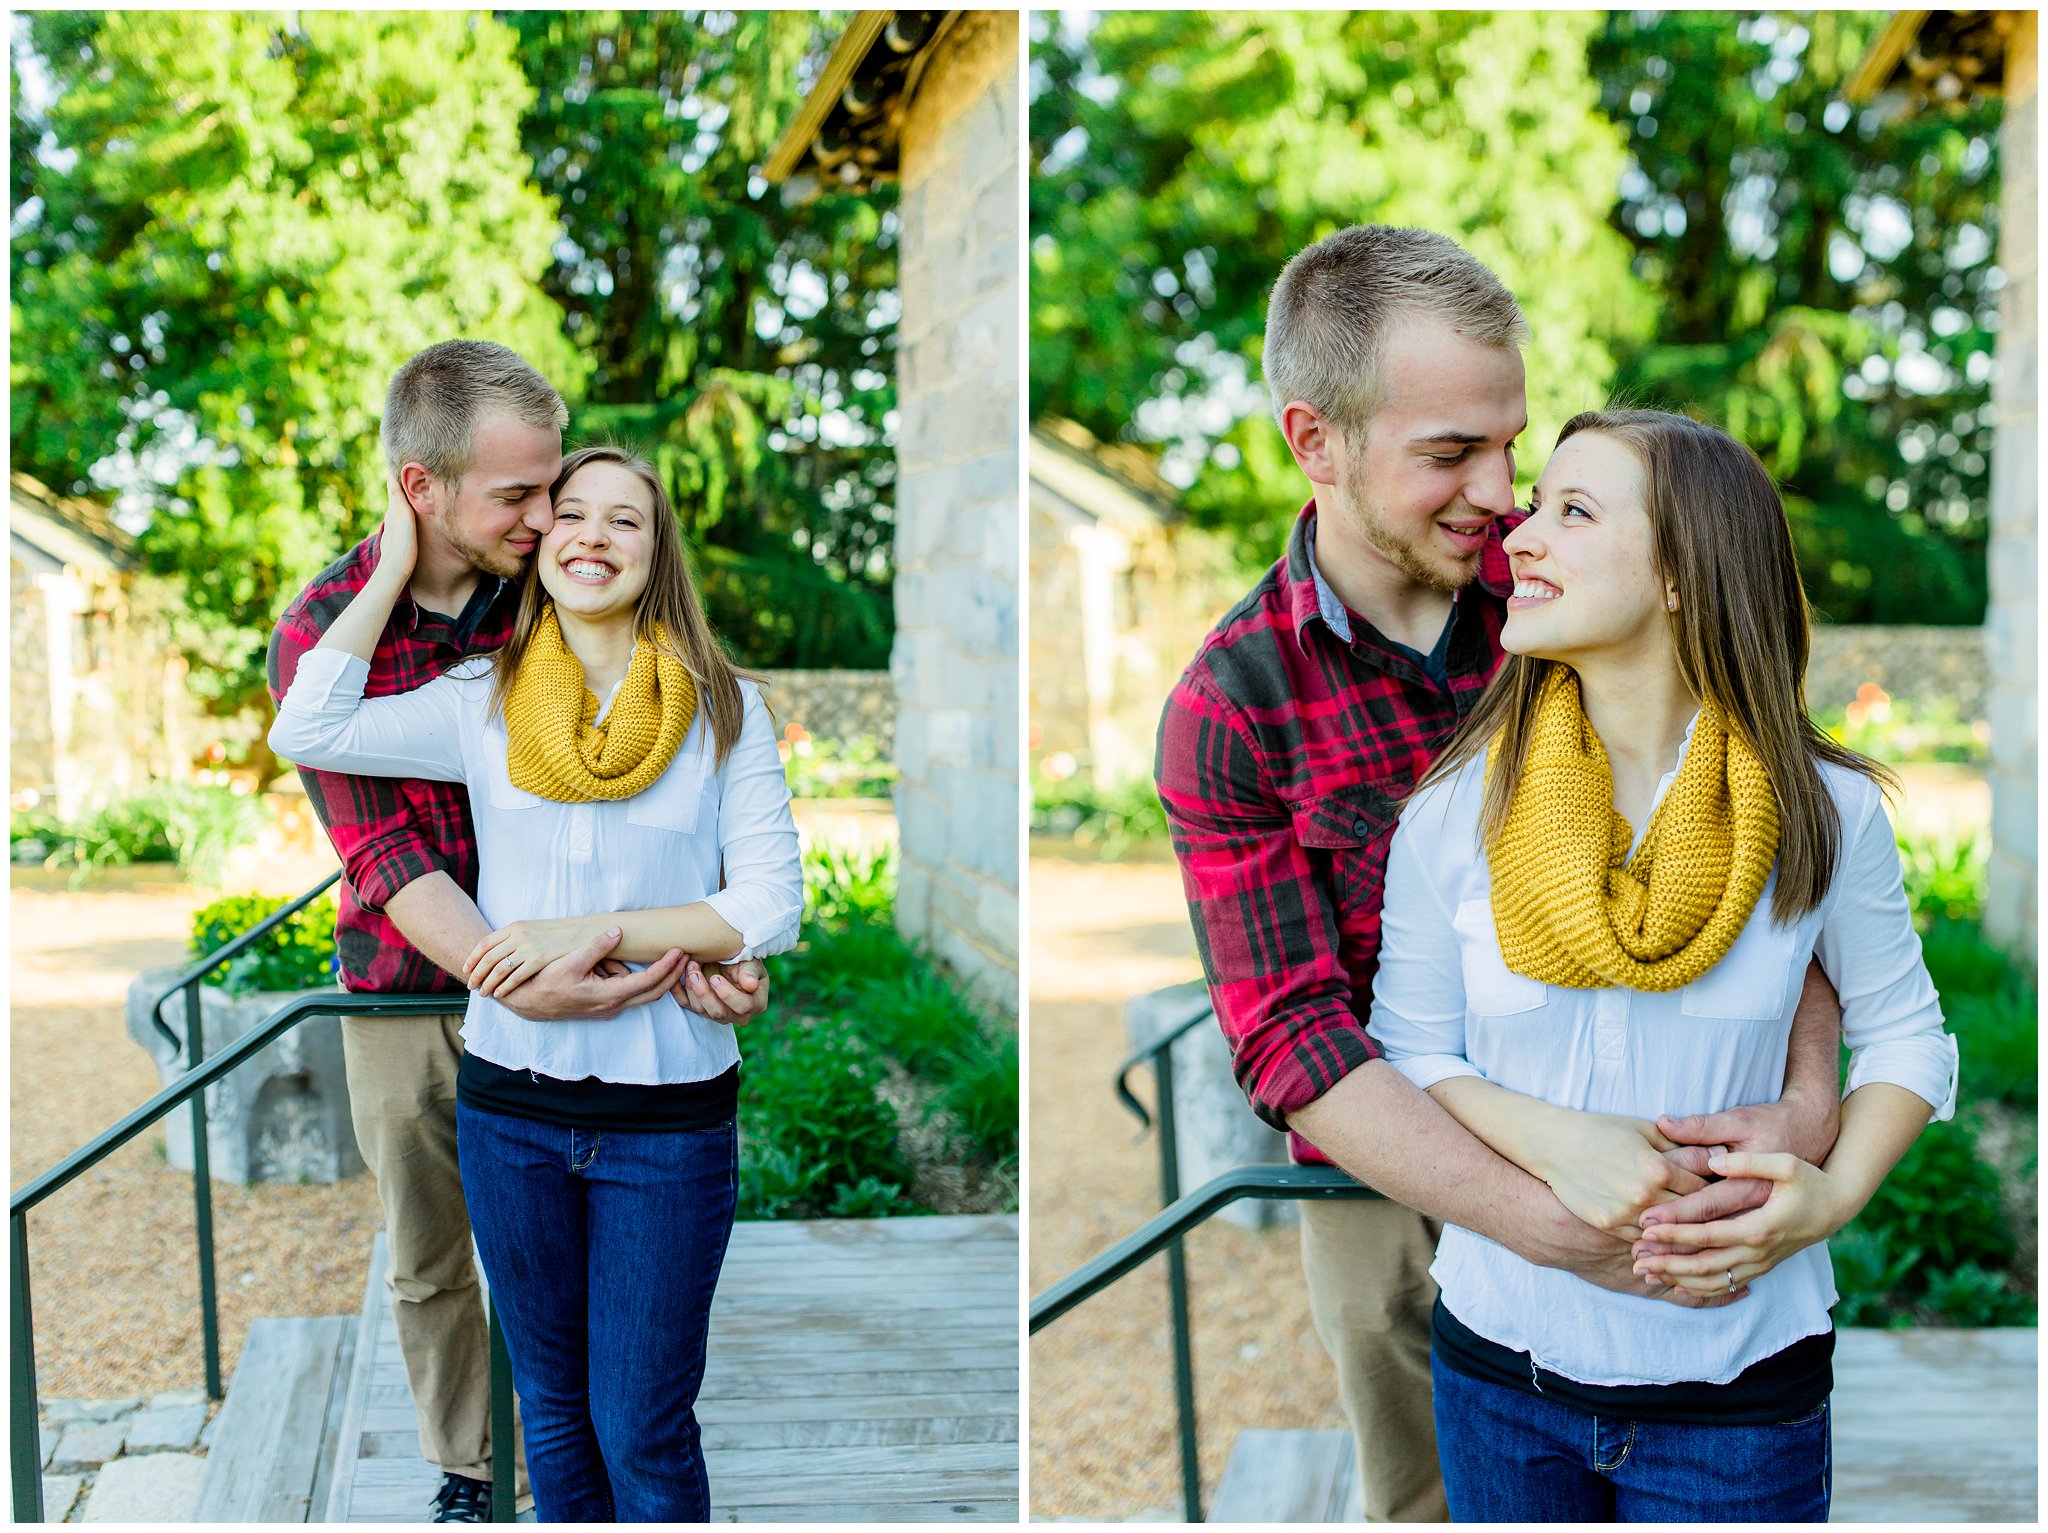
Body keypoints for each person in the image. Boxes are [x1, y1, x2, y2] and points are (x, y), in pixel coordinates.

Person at [1154, 227, 1844, 1522]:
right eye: (1451, 454)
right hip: (1374, 1171)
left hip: (1653, 1126)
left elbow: (1770, 851)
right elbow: (1291, 1031)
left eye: (1511, 444)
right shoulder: (1233, 701)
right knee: (1432, 1495)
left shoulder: (1573, 597)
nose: (1503, 493)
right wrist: (1537, 1213)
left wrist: (1806, 1108)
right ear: (1317, 441)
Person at [1364, 408, 1956, 1520]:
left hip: (1738, 1389)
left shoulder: (1820, 810)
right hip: (1500, 1369)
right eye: (1533, 507)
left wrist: (1824, 1200)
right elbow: (1409, 1045)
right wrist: (1553, 1140)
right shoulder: (1454, 812)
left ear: (1683, 573)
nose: (1518, 537)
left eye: (1570, 511)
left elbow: (1907, 1036)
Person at [266, 342, 770, 1522]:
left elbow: (668, 797)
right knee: (433, 1251)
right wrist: (515, 978)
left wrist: (706, 945)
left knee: (605, 1335)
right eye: (521, 495)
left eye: (557, 489)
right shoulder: (323, 629)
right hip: (410, 977)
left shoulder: (545, 581)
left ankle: (589, 1458)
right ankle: (468, 1468)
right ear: (419, 489)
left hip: (592, 998)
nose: (548, 516)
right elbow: (386, 852)